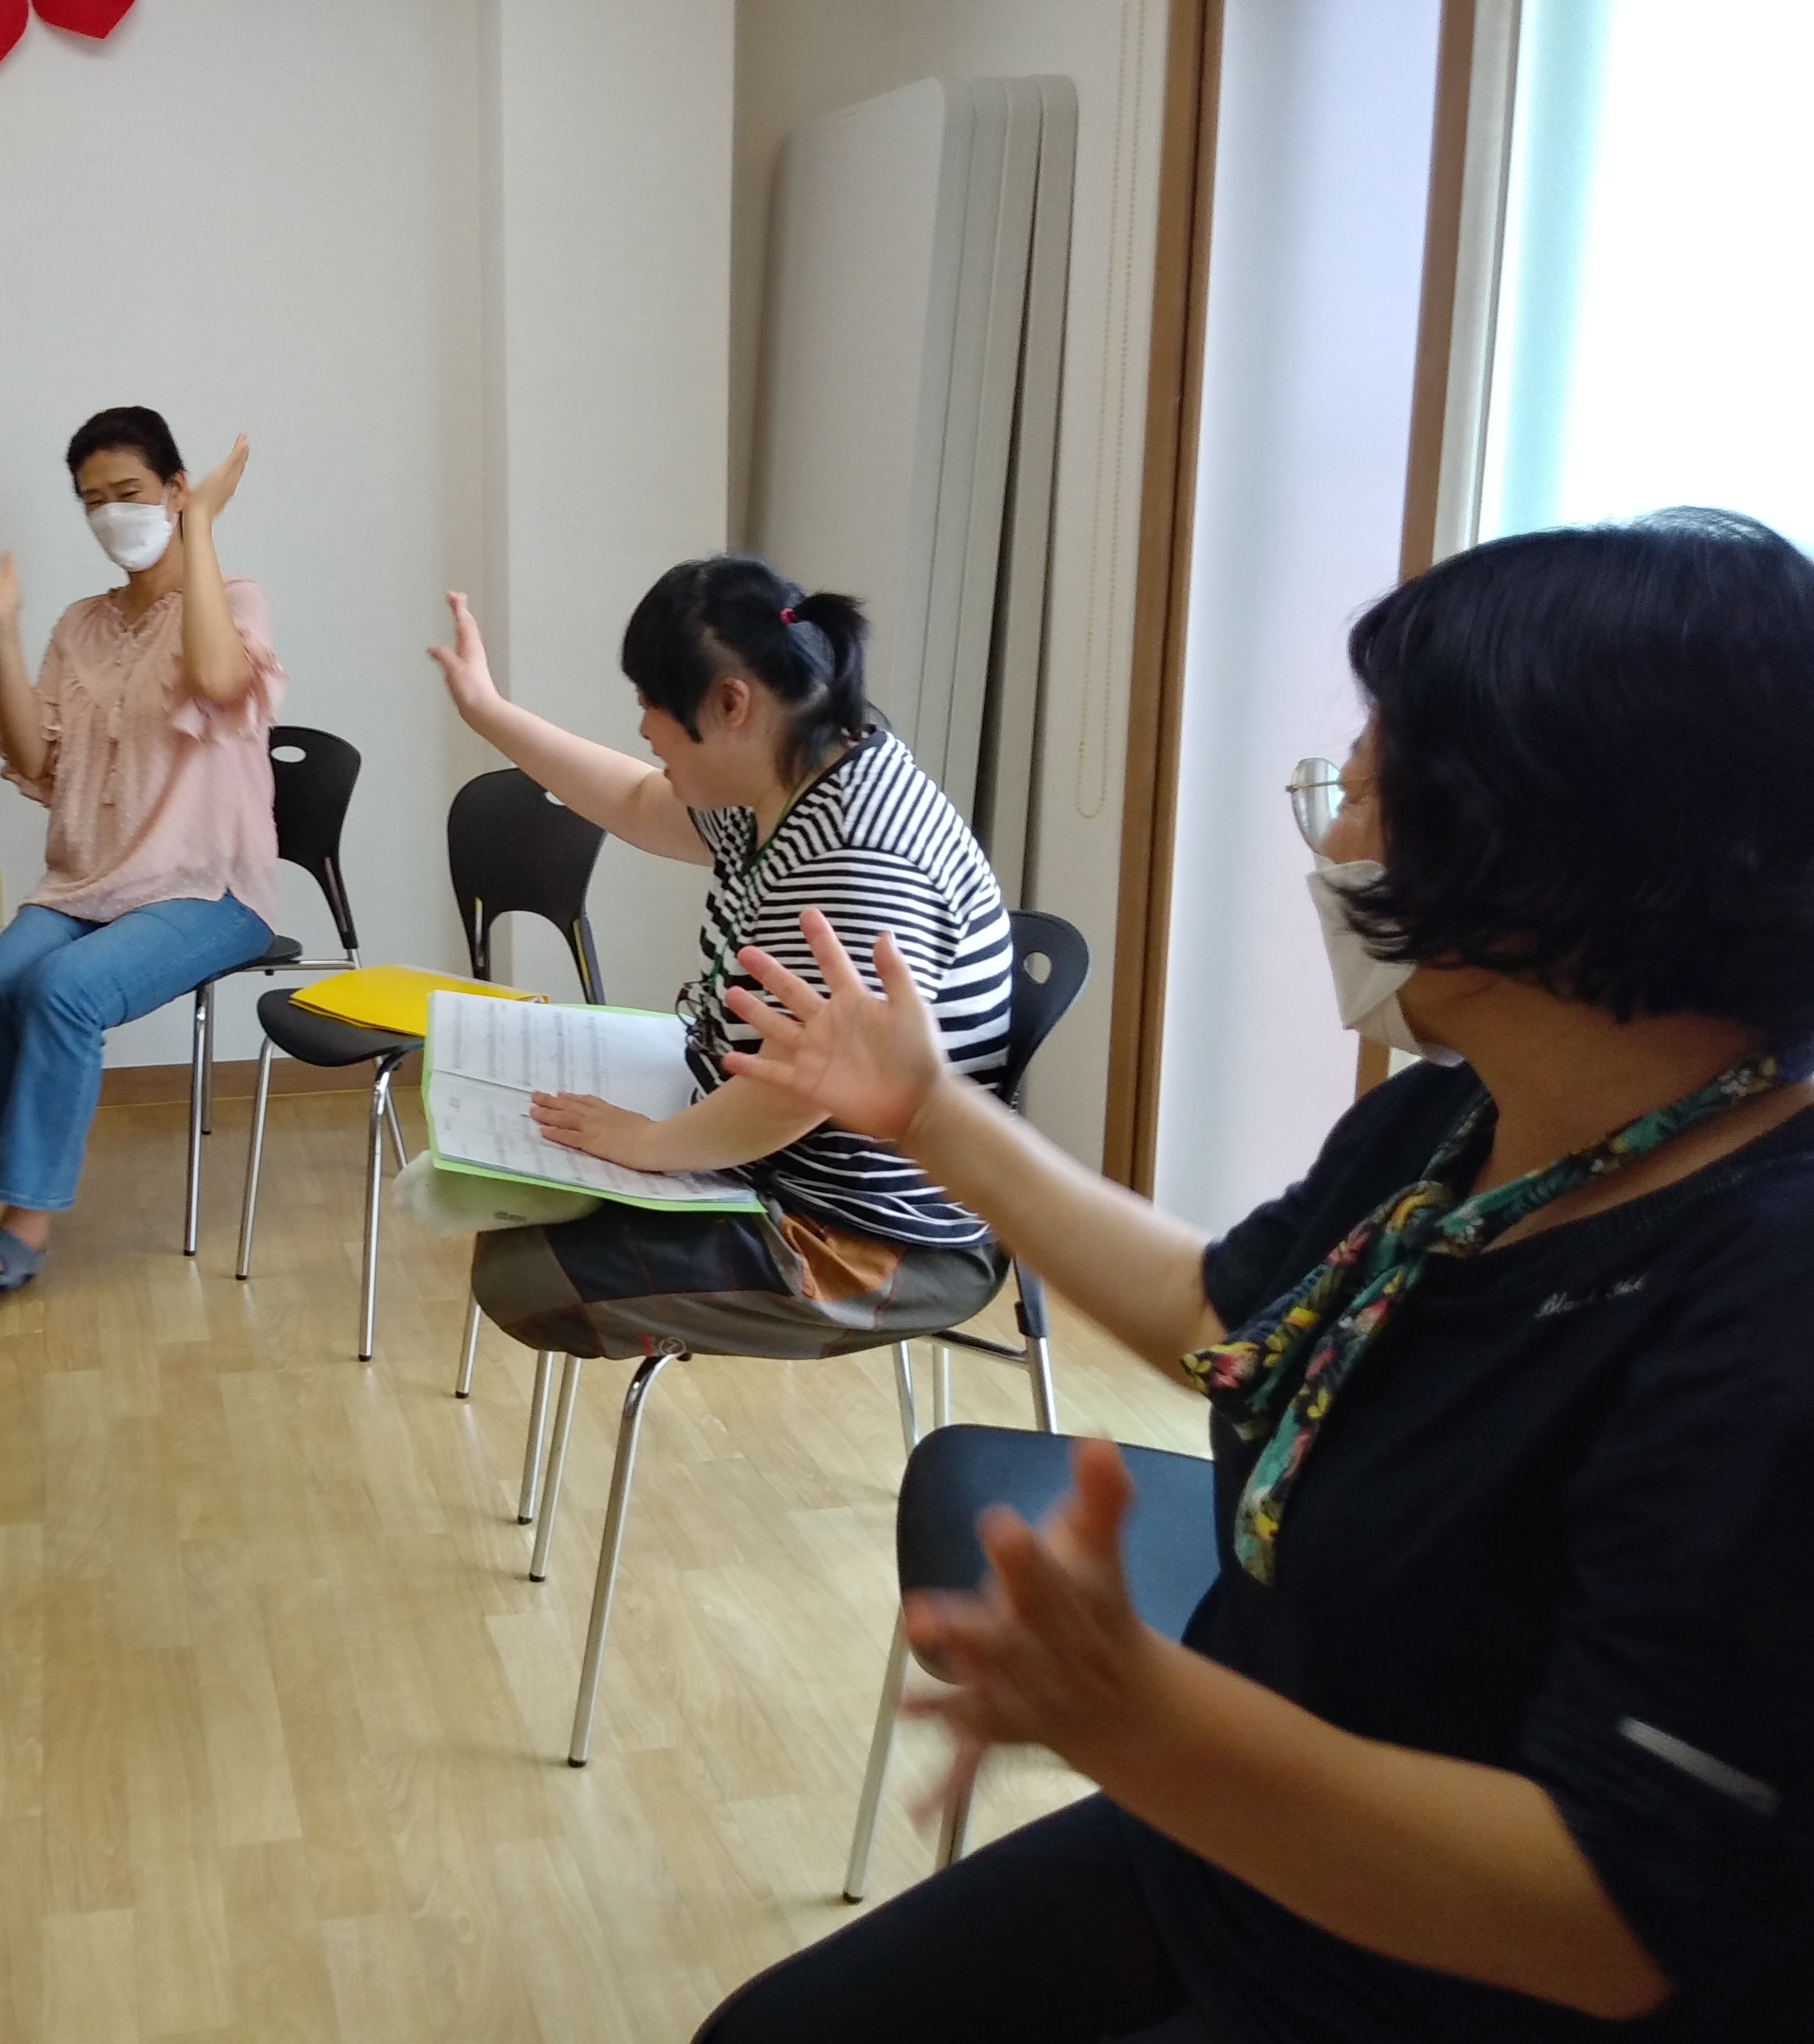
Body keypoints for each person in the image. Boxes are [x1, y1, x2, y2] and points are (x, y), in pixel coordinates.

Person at [691, 511, 1814, 2041]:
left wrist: (1143, 1717)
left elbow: (1610, 1916)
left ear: (1544, 857)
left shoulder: (1764, 1301)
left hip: (1435, 1984)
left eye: (1366, 792)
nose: (1334, 845)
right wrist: (933, 1115)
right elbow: (1232, 1318)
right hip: (1234, 1853)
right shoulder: (1459, 1123)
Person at [424, 559, 1015, 1360]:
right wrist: (489, 713)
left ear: (732, 704)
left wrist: (646, 1146)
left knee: (526, 1276)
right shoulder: (795, 777)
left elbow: (801, 1092)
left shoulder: (859, 856)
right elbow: (637, 802)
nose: (643, 728)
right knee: (516, 1198)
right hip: (777, 1153)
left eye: (652, 704)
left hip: (865, 1234)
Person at [0, 406, 283, 1302]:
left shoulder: (234, 600)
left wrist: (202, 529)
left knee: (63, 991)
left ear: (174, 489)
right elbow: (32, 755)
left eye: (129, 492)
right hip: (92, 882)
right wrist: (1, 629)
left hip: (209, 890)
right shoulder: (80, 625)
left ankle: (25, 1227)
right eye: (92, 500)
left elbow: (217, 679)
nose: (111, 514)